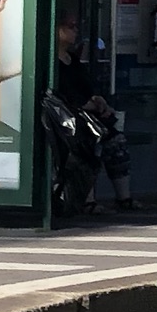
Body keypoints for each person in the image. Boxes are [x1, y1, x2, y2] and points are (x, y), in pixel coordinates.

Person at [48, 14, 134, 210]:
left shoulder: (73, 60)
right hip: (65, 120)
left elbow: (86, 87)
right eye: (71, 26)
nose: (76, 30)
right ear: (57, 29)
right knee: (87, 144)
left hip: (87, 116)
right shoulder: (51, 62)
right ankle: (87, 200)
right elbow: (60, 95)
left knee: (115, 141)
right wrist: (86, 104)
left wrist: (97, 100)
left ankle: (124, 197)